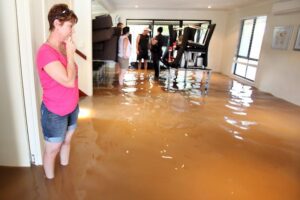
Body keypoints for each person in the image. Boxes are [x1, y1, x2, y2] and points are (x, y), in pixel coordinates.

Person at [36, 4, 79, 179]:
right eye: (69, 26)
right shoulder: (45, 52)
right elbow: (69, 81)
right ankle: (50, 183)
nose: (72, 31)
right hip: (54, 112)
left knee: (67, 141)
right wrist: (71, 54)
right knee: (52, 149)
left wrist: (68, 52)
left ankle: (66, 175)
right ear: (57, 23)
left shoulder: (62, 46)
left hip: (72, 106)